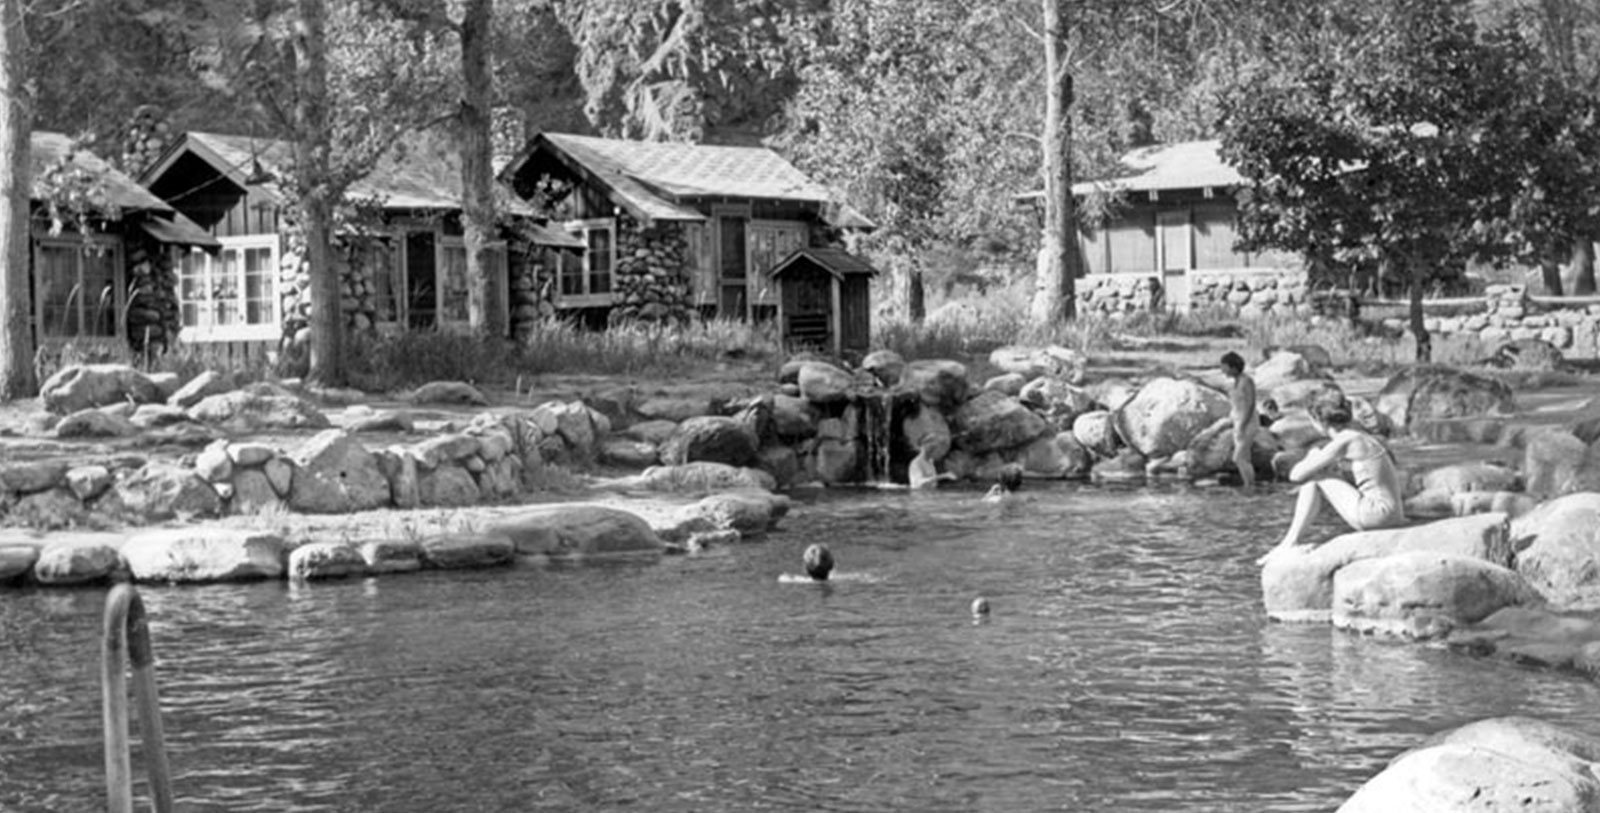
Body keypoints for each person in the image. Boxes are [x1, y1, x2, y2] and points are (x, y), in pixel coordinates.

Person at [1256, 399, 1406, 565]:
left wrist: (1312, 455)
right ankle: (1289, 543)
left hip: (1377, 515)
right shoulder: (1358, 436)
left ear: (1320, 422)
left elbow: (1296, 475)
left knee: (1314, 480)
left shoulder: (1346, 440)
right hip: (1391, 514)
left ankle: (1289, 543)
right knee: (1323, 475)